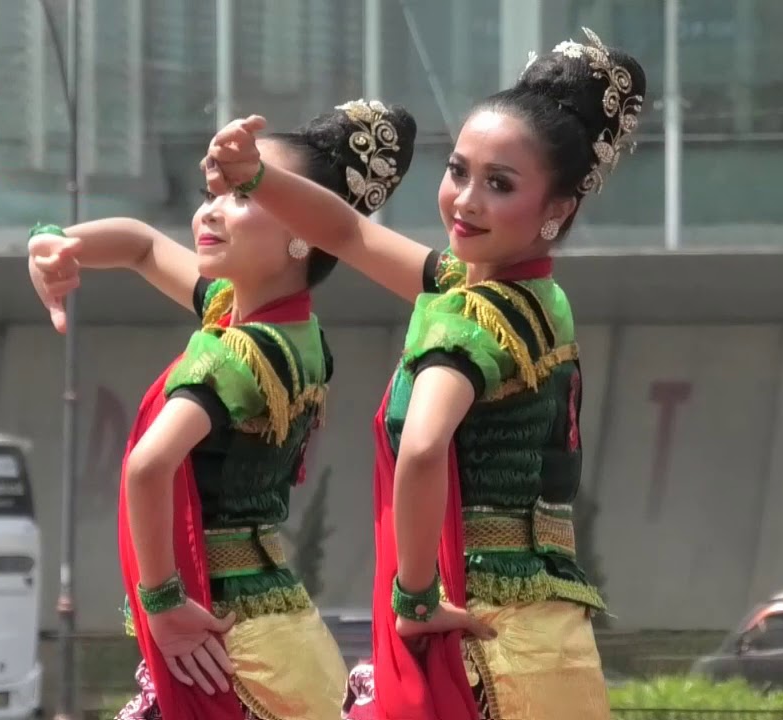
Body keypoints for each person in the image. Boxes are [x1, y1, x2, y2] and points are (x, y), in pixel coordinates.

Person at [202, 28, 645, 720]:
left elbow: (423, 445)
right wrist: (255, 176)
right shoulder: (532, 297)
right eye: (458, 171)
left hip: (477, 639)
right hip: (544, 635)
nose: (465, 201)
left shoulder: (472, 316)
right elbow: (348, 233)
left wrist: (413, 597)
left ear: (557, 209)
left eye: (499, 184)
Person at [27, 101, 418, 720]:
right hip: (272, 625)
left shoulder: (238, 354)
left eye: (242, 195)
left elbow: (148, 467)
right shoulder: (285, 328)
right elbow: (141, 246)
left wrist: (162, 604)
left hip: (225, 644)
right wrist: (55, 243)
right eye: (211, 194)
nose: (209, 211)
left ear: (303, 228)